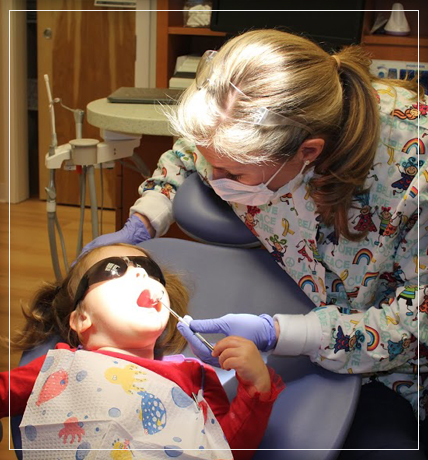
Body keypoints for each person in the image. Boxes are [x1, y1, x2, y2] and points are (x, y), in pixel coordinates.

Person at [82, 29, 428, 456]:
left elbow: (416, 323)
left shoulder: (414, 177)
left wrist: (281, 333)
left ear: (308, 153)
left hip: (398, 367)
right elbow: (195, 149)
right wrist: (148, 213)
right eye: (213, 166)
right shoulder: (234, 118)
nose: (214, 178)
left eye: (234, 175)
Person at [1, 243, 284, 459]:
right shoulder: (60, 369)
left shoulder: (193, 376)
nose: (140, 272)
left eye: (150, 271)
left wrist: (256, 388)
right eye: (112, 269)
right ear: (81, 318)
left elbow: (224, 451)